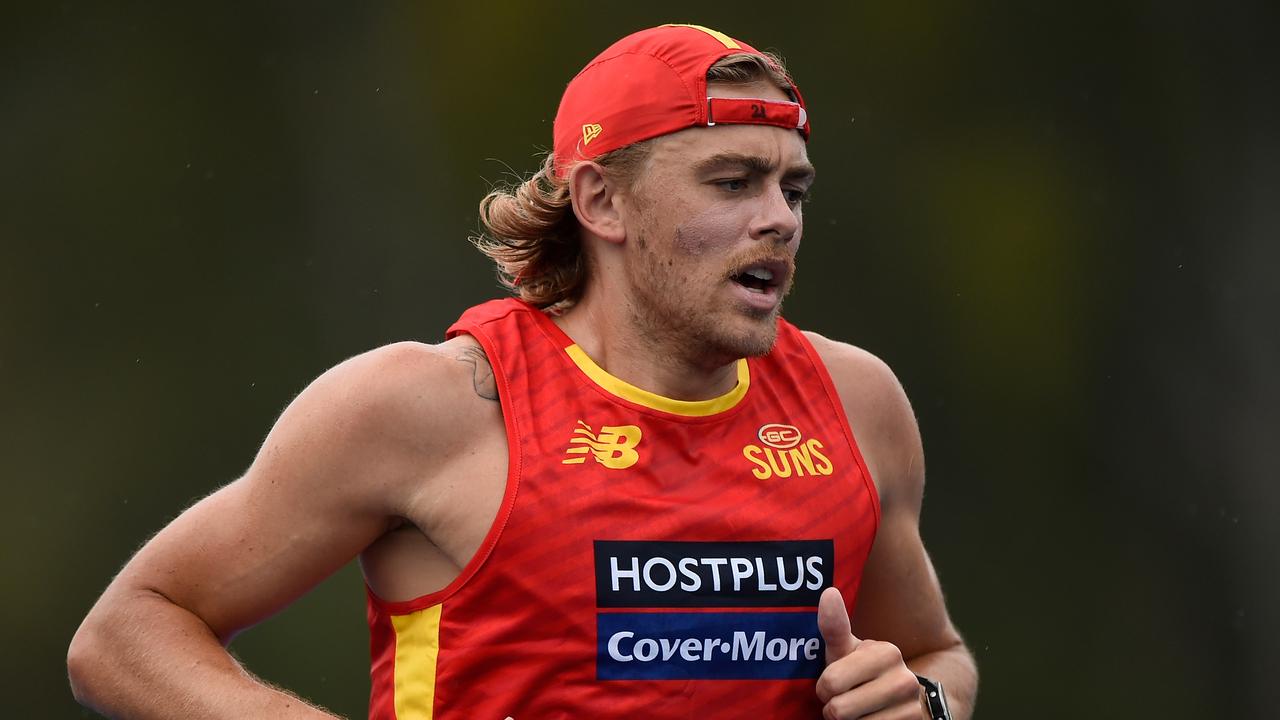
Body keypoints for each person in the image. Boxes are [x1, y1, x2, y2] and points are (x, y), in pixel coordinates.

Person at [68, 24, 977, 719]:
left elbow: (937, 656)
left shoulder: (856, 402)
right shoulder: (433, 406)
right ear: (601, 201)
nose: (779, 218)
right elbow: (129, 629)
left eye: (794, 189)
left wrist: (922, 701)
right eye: (733, 182)